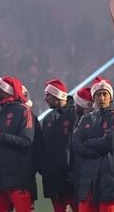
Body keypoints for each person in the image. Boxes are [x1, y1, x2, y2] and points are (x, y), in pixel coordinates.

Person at [70, 78, 114, 212]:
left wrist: (89, 142)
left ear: (110, 96)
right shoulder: (86, 118)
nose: (101, 98)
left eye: (104, 94)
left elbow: (110, 141)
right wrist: (97, 149)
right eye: (98, 94)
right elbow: (76, 144)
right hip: (88, 178)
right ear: (93, 98)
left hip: (109, 178)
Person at [0, 76, 36, 212]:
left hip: (17, 176)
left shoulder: (23, 111)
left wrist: (0, 136)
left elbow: (27, 141)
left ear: (6, 90)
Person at [37, 79, 78, 212]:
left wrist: (73, 171)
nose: (45, 99)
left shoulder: (76, 115)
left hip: (70, 177)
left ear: (58, 95)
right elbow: (43, 146)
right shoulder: (48, 118)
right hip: (52, 178)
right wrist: (44, 169)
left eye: (47, 95)